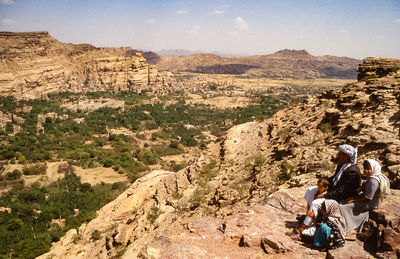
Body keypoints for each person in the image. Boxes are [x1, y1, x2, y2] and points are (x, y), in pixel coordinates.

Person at [295, 144, 361, 237]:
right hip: (334, 191)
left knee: (316, 203)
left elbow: (341, 192)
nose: (338, 156)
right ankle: (309, 217)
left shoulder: (352, 172)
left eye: (340, 154)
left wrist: (324, 196)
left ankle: (304, 226)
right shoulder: (342, 165)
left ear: (347, 156)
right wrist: (324, 182)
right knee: (310, 190)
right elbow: (334, 178)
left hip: (342, 197)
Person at [340, 159, 390, 236]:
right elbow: (364, 193)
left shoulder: (373, 181)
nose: (366, 171)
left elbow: (368, 197)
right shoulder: (372, 178)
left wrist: (354, 200)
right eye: (365, 169)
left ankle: (351, 228)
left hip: (369, 203)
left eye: (368, 169)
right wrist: (354, 198)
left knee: (344, 208)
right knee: (344, 202)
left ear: (373, 168)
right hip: (368, 201)